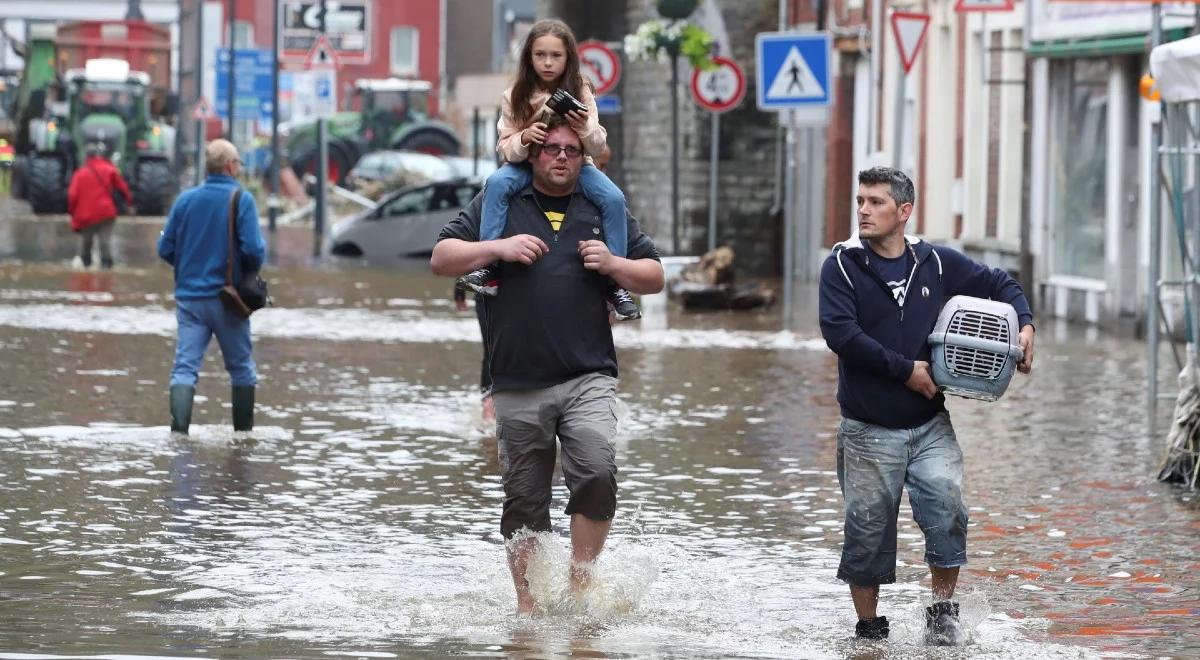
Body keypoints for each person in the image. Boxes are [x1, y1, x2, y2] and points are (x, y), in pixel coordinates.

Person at [431, 116, 664, 613]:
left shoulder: (601, 207)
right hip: (517, 379)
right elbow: (441, 258)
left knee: (597, 471)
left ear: (585, 158)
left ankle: (582, 584)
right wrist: (498, 248)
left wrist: (615, 265)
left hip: (589, 374)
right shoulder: (502, 202)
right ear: (533, 154)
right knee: (523, 502)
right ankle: (528, 608)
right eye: (552, 148)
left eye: (572, 151)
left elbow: (655, 275)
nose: (561, 157)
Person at [818, 166, 1036, 645]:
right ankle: (869, 629)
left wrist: (1025, 325)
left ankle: (942, 612)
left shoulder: (935, 263)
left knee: (946, 507)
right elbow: (841, 335)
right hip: (867, 427)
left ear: (904, 211)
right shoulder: (840, 266)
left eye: (875, 202)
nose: (863, 210)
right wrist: (906, 371)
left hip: (929, 422)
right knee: (868, 528)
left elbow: (1001, 283)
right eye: (859, 201)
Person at [454, 18, 641, 322]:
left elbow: (597, 146)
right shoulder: (515, 94)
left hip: (577, 167)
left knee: (614, 198)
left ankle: (614, 284)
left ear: (568, 58)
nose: (548, 63)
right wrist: (525, 138)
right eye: (540, 55)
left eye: (556, 56)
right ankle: (488, 267)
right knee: (496, 184)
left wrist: (585, 128)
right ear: (529, 57)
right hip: (526, 165)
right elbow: (505, 145)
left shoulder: (581, 90)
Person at [157, 139, 266, 435]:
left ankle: (178, 435)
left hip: (190, 301)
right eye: (238, 164)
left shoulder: (184, 200)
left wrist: (189, 265)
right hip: (228, 299)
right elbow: (254, 250)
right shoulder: (241, 200)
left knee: (184, 368)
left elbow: (165, 247)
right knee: (241, 368)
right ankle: (243, 437)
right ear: (231, 166)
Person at [67, 142, 132, 269]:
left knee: (86, 244)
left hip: (86, 215)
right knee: (105, 242)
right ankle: (107, 270)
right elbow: (123, 188)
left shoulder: (80, 174)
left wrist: (72, 212)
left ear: (86, 156)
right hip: (106, 213)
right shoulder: (109, 169)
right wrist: (128, 203)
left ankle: (86, 268)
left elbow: (72, 195)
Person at [454, 284, 496, 425]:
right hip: (486, 294)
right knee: (491, 350)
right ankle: (487, 410)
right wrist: (459, 289)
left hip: (522, 296)